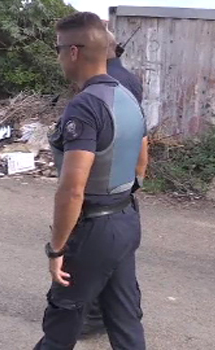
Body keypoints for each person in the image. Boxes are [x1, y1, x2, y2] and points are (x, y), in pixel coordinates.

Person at [34, 12, 148, 350]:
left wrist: (57, 248)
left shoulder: (85, 106)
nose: (57, 57)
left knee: (61, 324)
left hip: (95, 229)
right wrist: (121, 199)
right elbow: (143, 158)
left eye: (58, 49)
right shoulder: (127, 93)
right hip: (126, 220)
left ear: (73, 52)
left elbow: (72, 190)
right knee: (125, 320)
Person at [79, 29, 147, 339]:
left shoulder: (103, 84)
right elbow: (140, 137)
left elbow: (77, 175)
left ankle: (93, 315)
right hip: (123, 187)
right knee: (121, 259)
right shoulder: (129, 80)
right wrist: (136, 182)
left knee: (95, 256)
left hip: (101, 189)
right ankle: (125, 311)